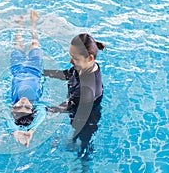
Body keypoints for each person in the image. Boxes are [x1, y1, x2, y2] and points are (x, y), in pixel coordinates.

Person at [44, 33, 105, 157]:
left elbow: (68, 106)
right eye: (71, 56)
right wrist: (42, 72)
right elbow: (68, 74)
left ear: (90, 58)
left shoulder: (87, 89)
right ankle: (73, 141)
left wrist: (42, 110)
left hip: (87, 120)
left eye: (75, 58)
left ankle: (83, 168)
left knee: (83, 142)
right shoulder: (84, 66)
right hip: (78, 108)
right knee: (75, 133)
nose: (71, 61)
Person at [8, 10, 46, 147]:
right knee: (34, 43)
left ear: (13, 107)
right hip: (35, 68)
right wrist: (32, 130)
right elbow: (42, 114)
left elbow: (6, 118)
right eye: (27, 106)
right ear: (32, 109)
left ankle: (20, 25)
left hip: (16, 68)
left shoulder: (12, 100)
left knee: (18, 43)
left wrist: (14, 131)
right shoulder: (37, 104)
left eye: (19, 106)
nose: (23, 102)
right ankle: (33, 24)